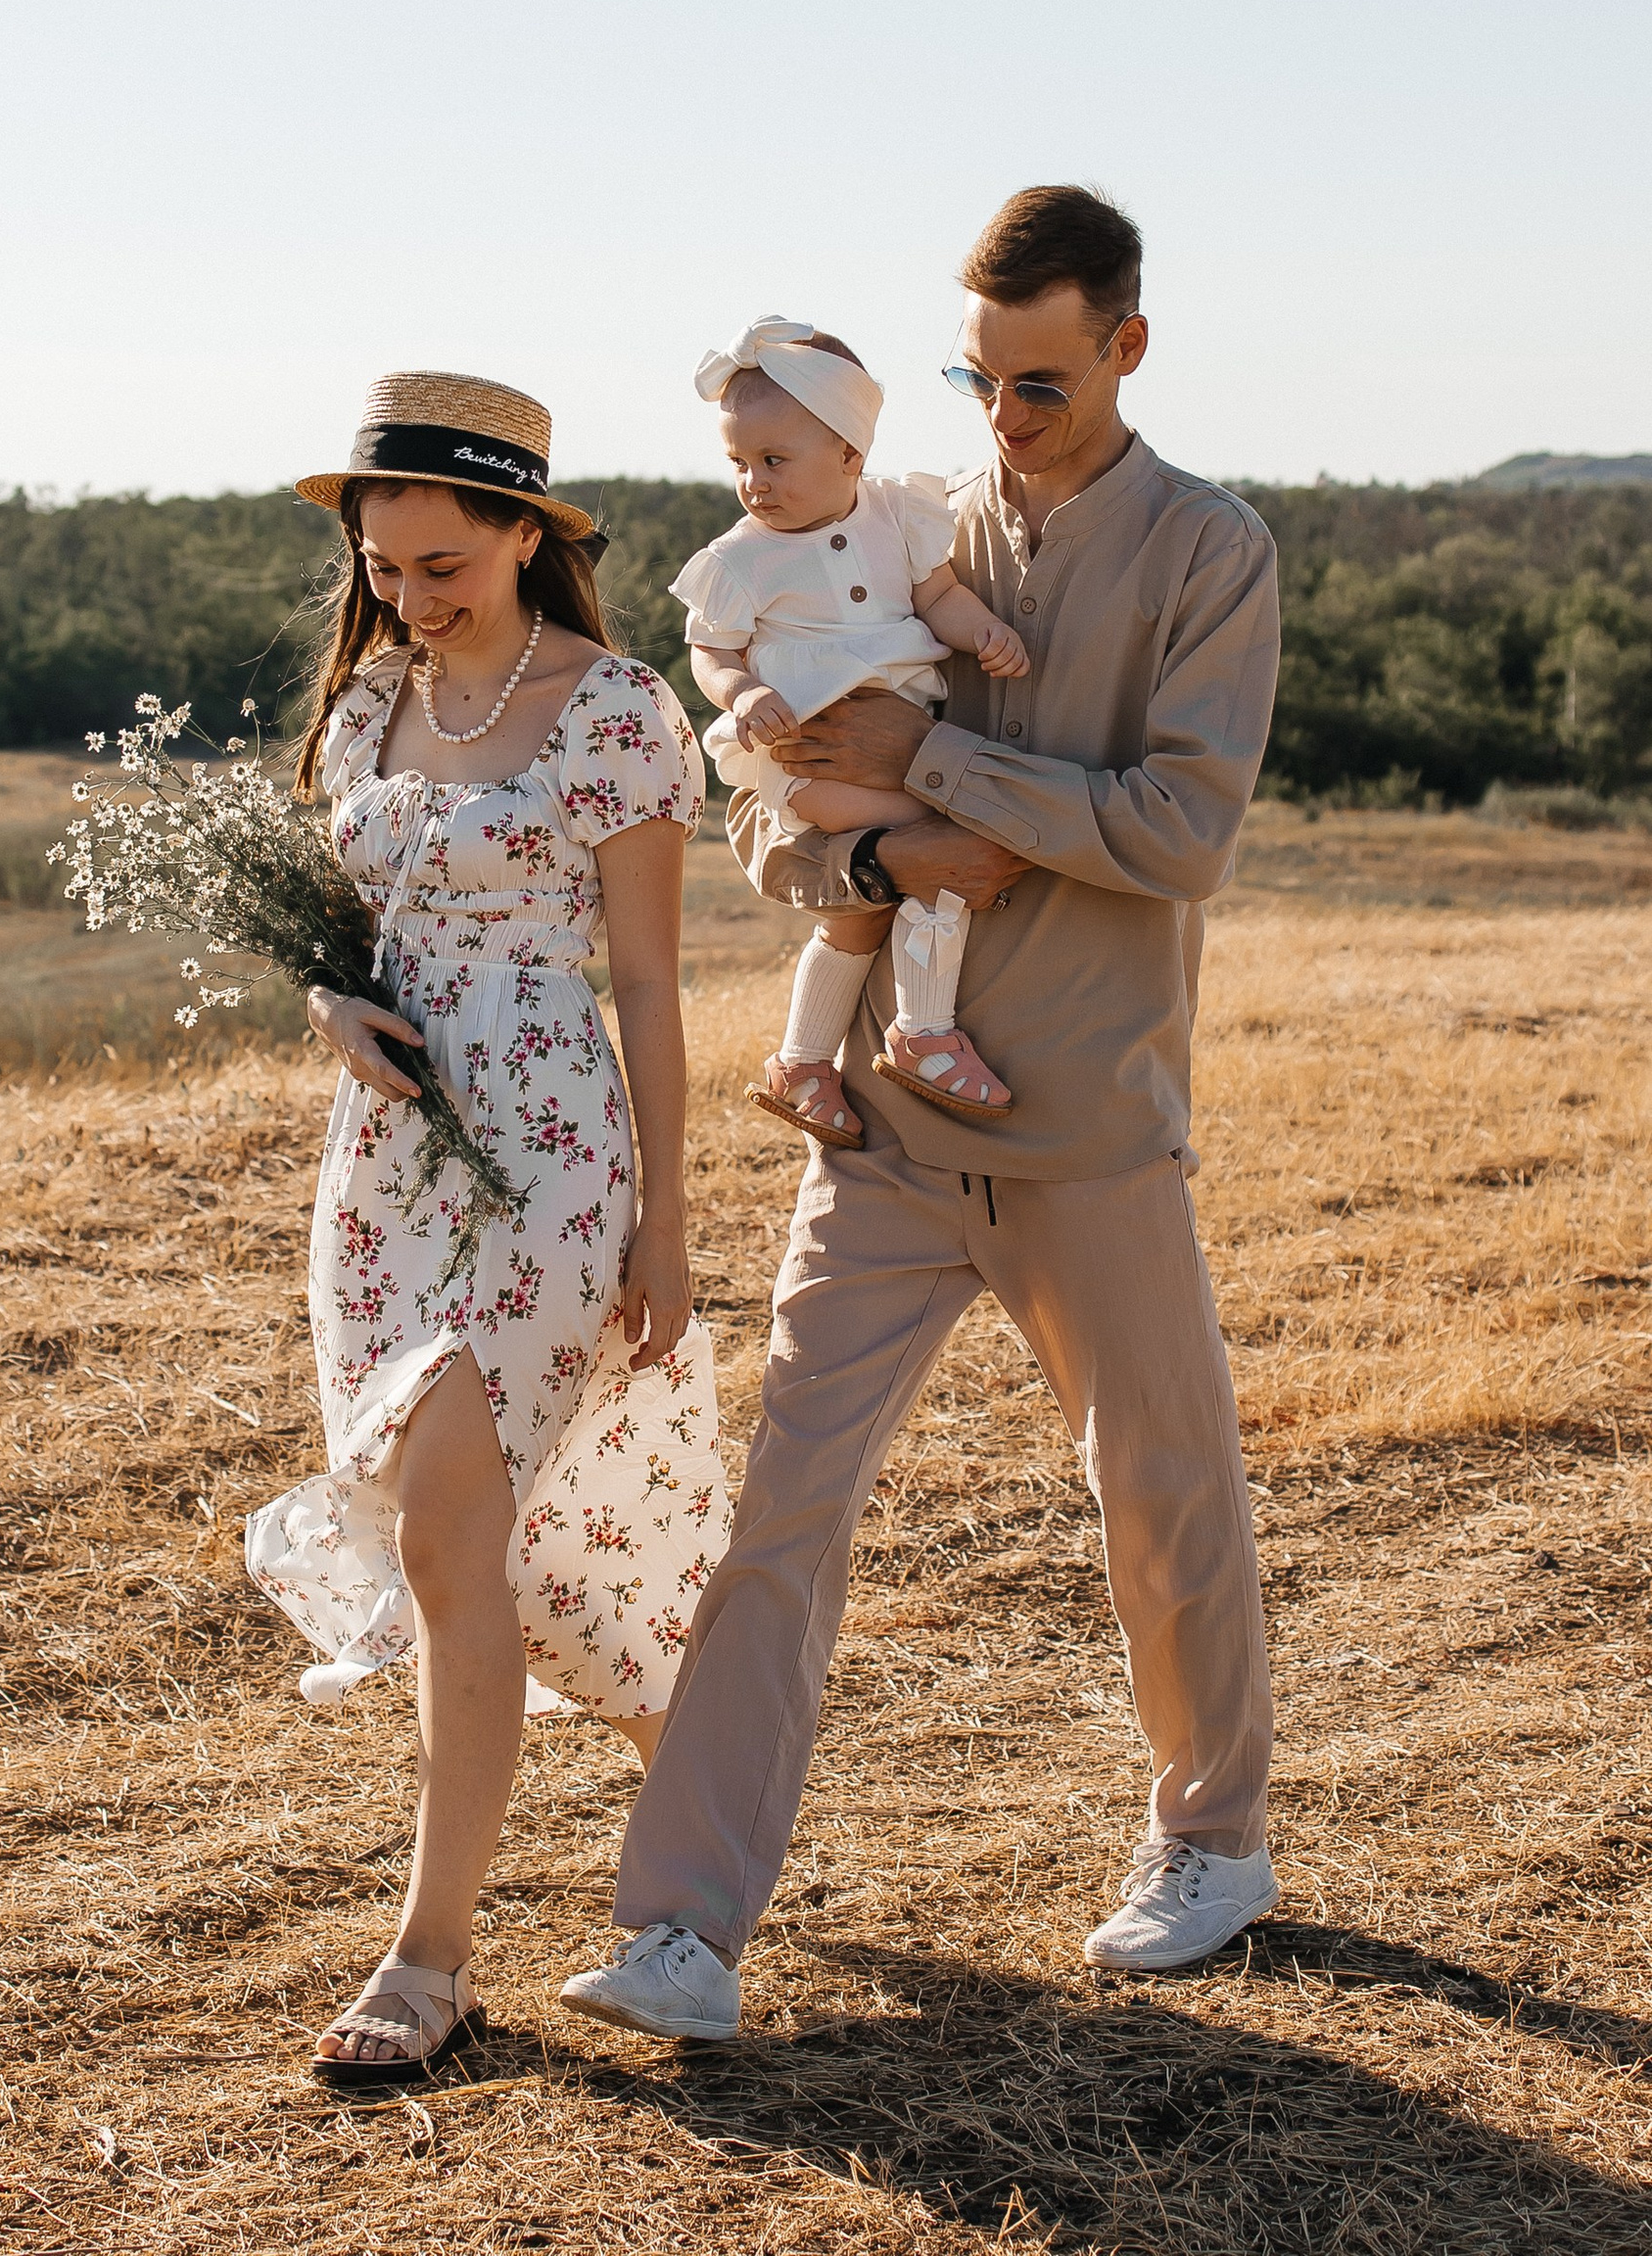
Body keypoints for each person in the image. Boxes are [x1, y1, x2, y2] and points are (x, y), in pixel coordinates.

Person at [561, 186, 1285, 2039]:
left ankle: (1211, 1841)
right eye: (978, 379)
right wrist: (860, 833)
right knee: (779, 1523)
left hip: (1090, 1131)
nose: (1004, 420)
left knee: (1163, 1497)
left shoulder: (1212, 554)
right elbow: (765, 812)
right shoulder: (892, 530)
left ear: (1126, 344)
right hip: (881, 1125)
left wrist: (936, 761)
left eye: (1039, 382)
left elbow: (1178, 835)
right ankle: (684, 1926)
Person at [245, 371, 722, 2087]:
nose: (409, 593)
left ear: (529, 533)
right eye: (384, 564)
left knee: (454, 1533)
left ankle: (430, 1957)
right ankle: (717, 1797)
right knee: (486, 1545)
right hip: (382, 1171)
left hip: (551, 1153)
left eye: (442, 560)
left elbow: (653, 983)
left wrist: (670, 1219)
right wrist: (325, 1001)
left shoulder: (614, 710)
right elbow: (346, 932)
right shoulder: (367, 710)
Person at [677, 315, 1032, 1140]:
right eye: (739, 463)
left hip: (899, 747)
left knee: (859, 915)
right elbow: (711, 652)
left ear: (850, 453)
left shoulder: (899, 516)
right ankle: (925, 1032)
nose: (753, 484)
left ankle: (802, 1062)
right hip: (813, 757)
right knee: (946, 849)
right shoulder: (741, 558)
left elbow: (938, 597)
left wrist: (982, 630)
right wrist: (737, 696)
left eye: (773, 460)